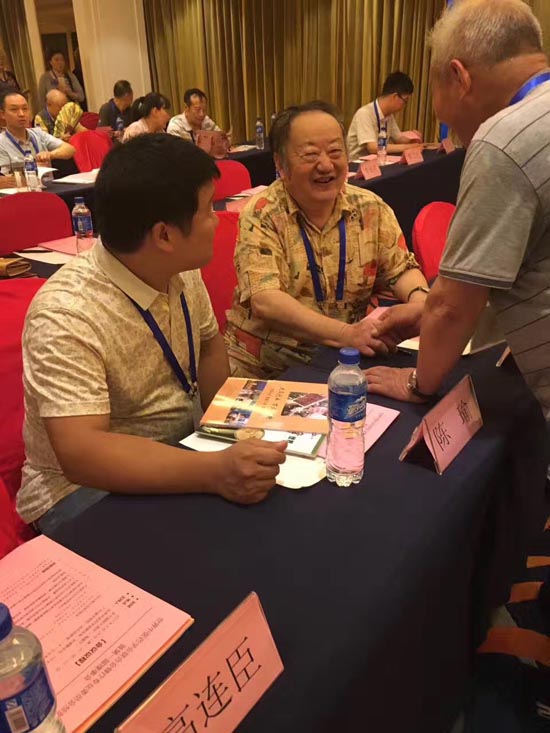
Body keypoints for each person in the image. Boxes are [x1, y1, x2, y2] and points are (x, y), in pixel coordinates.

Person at [18, 134, 287, 534]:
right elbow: (83, 455)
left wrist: (228, 434)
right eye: (208, 210)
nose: (218, 219)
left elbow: (209, 347)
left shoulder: (179, 268)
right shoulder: (66, 313)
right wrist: (215, 470)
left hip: (182, 450)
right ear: (164, 236)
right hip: (82, 490)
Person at [364, 0, 550, 426]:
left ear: (459, 77)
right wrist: (428, 309)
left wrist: (419, 383)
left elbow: (452, 307)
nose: (463, 142)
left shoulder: (504, 139)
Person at [224, 101, 429, 379]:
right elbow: (266, 301)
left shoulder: (370, 207)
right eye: (310, 155)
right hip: (267, 366)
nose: (325, 165)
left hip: (344, 358)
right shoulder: (262, 213)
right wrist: (346, 333)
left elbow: (400, 268)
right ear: (281, 164)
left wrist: (420, 304)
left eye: (335, 152)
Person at [0, 90, 75, 186]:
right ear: (2, 114)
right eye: (14, 110)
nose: (21, 114)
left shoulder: (38, 134)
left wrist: (50, 154)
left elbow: (70, 149)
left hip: (49, 188)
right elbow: (5, 181)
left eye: (25, 109)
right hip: (22, 192)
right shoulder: (2, 142)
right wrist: (33, 170)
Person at [347, 72, 423, 159]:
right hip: (358, 163)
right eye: (405, 101)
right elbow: (373, 147)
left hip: (379, 161)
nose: (404, 106)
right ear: (395, 97)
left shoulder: (389, 115)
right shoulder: (364, 113)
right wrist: (408, 147)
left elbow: (398, 138)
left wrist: (412, 141)